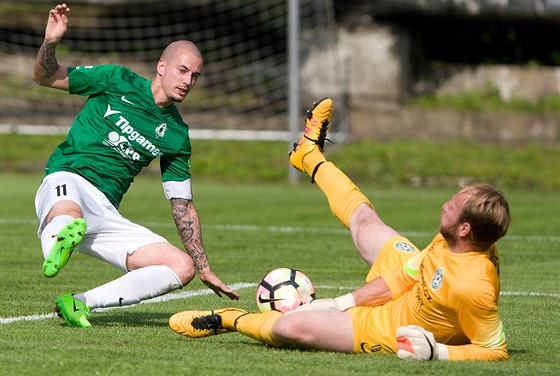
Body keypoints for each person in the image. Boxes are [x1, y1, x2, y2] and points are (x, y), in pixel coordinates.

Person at [168, 98, 511, 361]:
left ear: (465, 228)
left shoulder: (473, 285)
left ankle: (226, 320)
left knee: (292, 326)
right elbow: (406, 276)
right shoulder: (451, 239)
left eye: (452, 205)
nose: (444, 205)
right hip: (410, 287)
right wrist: (339, 303)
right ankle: (308, 155)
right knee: (364, 219)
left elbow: (494, 349)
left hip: (389, 329)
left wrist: (439, 352)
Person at [33, 3, 240, 328]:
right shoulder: (116, 79)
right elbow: (45, 77)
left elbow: (182, 207)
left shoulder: (176, 135)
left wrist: (204, 268)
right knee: (69, 214)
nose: (188, 81)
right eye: (182, 70)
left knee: (179, 267)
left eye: (195, 76)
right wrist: (51, 41)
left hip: (105, 212)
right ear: (161, 66)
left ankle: (79, 303)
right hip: (68, 178)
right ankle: (59, 243)